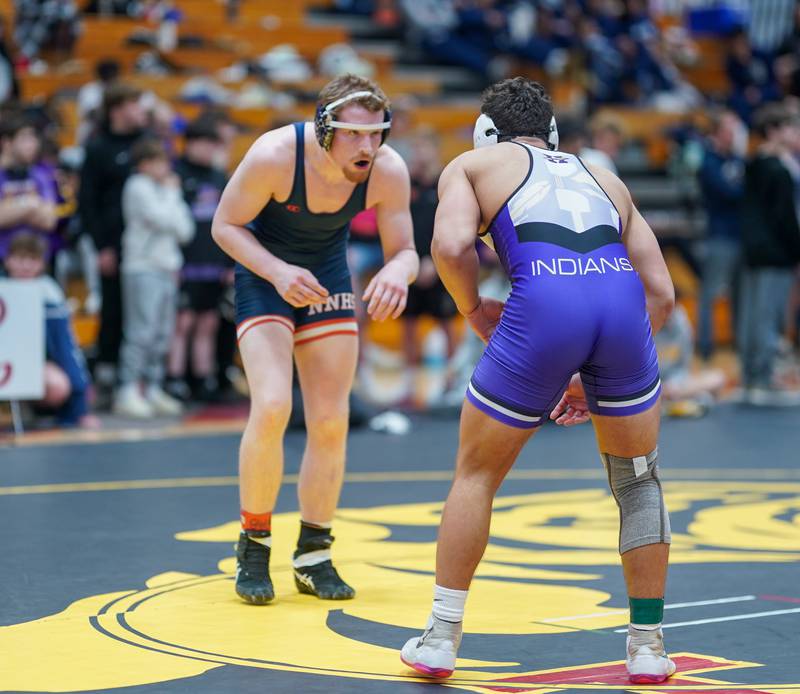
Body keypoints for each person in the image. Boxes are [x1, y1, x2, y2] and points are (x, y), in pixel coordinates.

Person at [400, 77, 676, 684]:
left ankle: (442, 636)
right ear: (552, 133)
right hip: (620, 307)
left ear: (486, 131)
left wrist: (473, 309)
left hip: (543, 311)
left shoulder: (472, 165)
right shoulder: (604, 176)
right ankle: (649, 646)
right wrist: (598, 373)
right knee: (638, 482)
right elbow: (662, 292)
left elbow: (449, 246)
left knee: (477, 474)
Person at [211, 74, 418, 604]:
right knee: (275, 403)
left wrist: (398, 271)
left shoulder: (387, 171)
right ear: (325, 129)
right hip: (265, 276)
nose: (368, 147)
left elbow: (405, 250)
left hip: (325, 275)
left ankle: (313, 553)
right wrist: (278, 273)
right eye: (354, 134)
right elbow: (225, 226)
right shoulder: (274, 154)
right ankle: (254, 546)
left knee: (330, 418)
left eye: (377, 133)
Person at [114, 138, 194, 418]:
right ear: (145, 164)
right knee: (141, 331)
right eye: (160, 162)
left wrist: (170, 203)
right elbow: (162, 219)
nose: (166, 168)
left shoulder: (164, 189)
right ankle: (128, 389)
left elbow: (185, 230)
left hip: (167, 268)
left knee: (162, 333)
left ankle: (151, 387)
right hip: (142, 267)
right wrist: (172, 197)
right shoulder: (137, 186)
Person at [3, 232, 98, 429]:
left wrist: (80, 408)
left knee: (57, 384)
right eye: (20, 258)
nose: (25, 265)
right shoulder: (3, 289)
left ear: (41, 264)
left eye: (32, 259)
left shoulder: (49, 294)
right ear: (8, 260)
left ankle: (38, 411)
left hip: (34, 366)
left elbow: (67, 349)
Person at [166, 118, 231, 402]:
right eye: (203, 144)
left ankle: (204, 378)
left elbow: (232, 222)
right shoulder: (175, 175)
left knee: (208, 322)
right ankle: (175, 377)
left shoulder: (219, 178)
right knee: (183, 322)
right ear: (189, 143)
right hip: (184, 262)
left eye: (212, 145)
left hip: (214, 262)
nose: (207, 150)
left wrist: (229, 264)